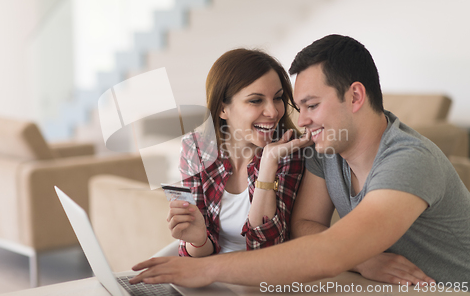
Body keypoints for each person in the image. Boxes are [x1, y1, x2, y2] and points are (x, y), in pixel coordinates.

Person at [130, 35, 470, 287]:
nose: (297, 119)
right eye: (299, 106)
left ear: (354, 96)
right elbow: (305, 225)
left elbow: (327, 253)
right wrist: (362, 258)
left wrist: (204, 270)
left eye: (310, 105)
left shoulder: (408, 160)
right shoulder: (325, 152)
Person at [167, 48, 311, 258]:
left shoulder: (290, 153)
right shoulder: (195, 149)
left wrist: (269, 163)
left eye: (278, 98)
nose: (273, 112)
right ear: (222, 109)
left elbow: (266, 251)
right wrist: (197, 239)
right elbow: (193, 254)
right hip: (210, 269)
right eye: (256, 100)